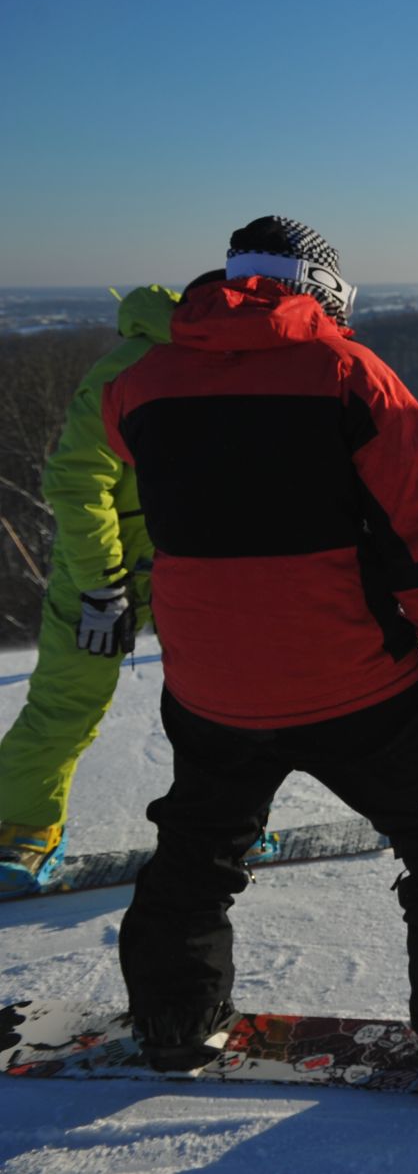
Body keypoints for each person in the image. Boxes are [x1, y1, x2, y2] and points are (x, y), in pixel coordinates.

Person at [100, 216, 418, 1092]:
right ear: (324, 290)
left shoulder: (140, 384)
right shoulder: (350, 376)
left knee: (198, 849)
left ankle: (175, 1022)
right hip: (355, 681)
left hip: (209, 685)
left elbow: (134, 464)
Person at [0, 283, 185, 895]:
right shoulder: (122, 372)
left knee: (227, 702)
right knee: (66, 699)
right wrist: (103, 586)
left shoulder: (215, 364)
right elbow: (79, 483)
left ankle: (231, 819)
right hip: (111, 566)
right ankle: (21, 825)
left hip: (192, 564)